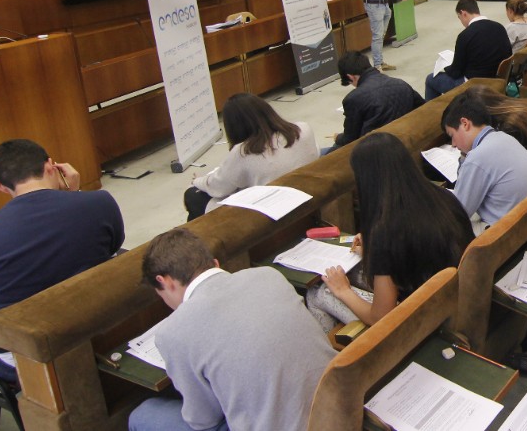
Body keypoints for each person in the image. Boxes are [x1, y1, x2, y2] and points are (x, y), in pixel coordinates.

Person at [129, 229, 335, 431]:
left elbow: (204, 420)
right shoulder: (268, 275)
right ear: (214, 263)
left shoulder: (171, 333)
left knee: (142, 415)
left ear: (164, 281)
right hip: (337, 409)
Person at [0, 139, 123, 384]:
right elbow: (112, 251)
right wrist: (75, 194)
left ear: (0, 186)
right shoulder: (99, 203)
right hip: (97, 327)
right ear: (51, 166)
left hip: (23, 355)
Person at [306, 133, 471, 328]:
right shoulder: (441, 196)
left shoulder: (385, 231)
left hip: (424, 321)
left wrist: (344, 291)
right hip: (459, 298)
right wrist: (372, 255)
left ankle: (343, 349)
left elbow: (380, 317)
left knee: (318, 293)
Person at [185, 93, 319, 220]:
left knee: (192, 196)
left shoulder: (243, 151)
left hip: (271, 212)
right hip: (307, 195)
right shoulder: (303, 128)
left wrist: (197, 181)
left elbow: (218, 188)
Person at [441, 92, 527, 234]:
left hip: (506, 234)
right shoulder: (504, 137)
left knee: (444, 227)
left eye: (452, 135)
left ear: (465, 123)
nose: (453, 144)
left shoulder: (477, 158)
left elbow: (459, 213)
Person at [332, 52, 424, 151]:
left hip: (377, 149)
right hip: (408, 138)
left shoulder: (353, 98)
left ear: (351, 77)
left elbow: (350, 138)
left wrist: (338, 138)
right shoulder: (401, 83)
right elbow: (423, 107)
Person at [425, 0, 511, 99]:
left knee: (431, 79)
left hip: (474, 84)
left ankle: (431, 113)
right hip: (499, 81)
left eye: (459, 18)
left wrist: (446, 66)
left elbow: (456, 72)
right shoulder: (500, 27)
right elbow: (508, 53)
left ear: (463, 13)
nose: (461, 22)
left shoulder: (465, 35)